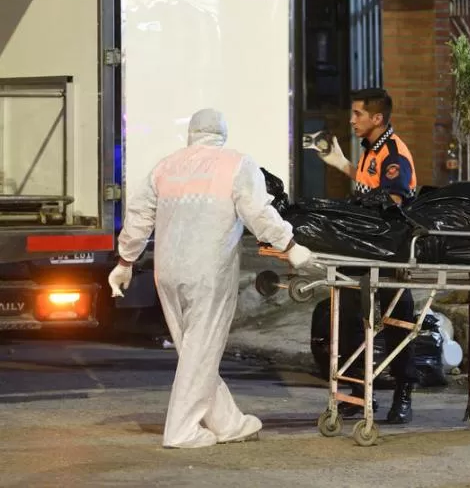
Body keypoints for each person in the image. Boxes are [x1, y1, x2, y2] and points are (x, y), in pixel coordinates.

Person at [108, 108, 313, 449]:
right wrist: (290, 246)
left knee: (194, 351)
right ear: (222, 133)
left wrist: (126, 260)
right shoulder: (236, 164)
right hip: (208, 271)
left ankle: (228, 422)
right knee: (201, 351)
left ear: (191, 133)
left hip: (168, 271)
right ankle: (182, 430)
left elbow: (139, 214)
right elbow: (259, 213)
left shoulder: (166, 166)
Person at [316, 87, 420, 424]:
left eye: (358, 114)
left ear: (377, 118)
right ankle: (358, 391)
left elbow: (392, 201)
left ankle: (404, 392)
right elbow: (368, 187)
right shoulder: (371, 150)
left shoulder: (394, 153)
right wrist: (345, 166)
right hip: (362, 248)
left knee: (396, 321)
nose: (351, 120)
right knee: (347, 318)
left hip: (389, 252)